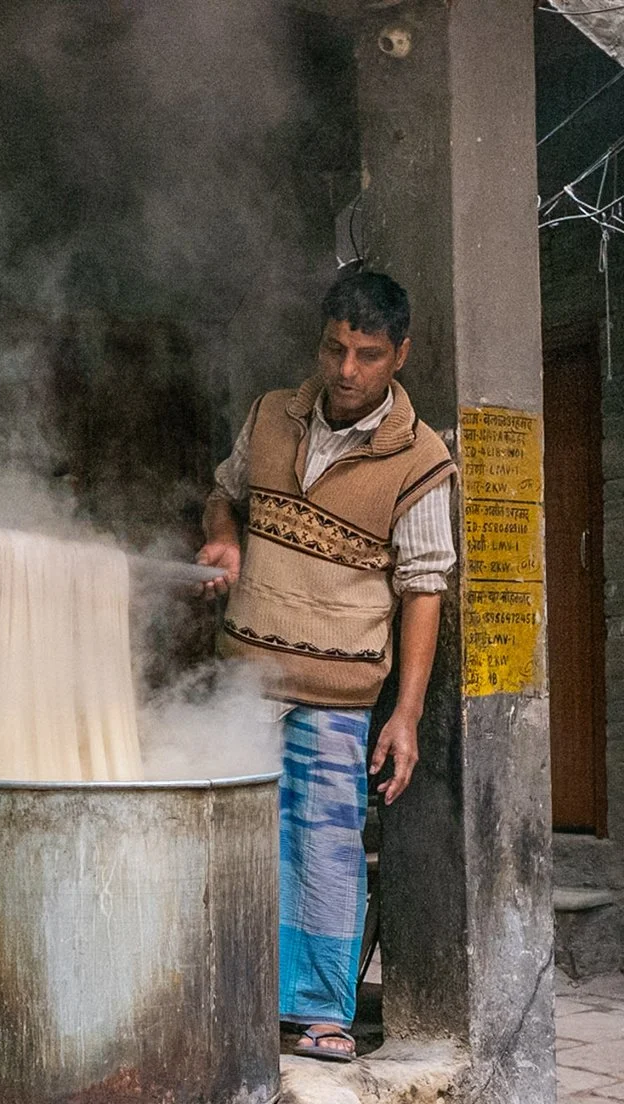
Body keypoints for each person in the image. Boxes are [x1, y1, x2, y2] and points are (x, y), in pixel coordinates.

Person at [198, 268, 456, 1062]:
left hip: (338, 693)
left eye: (368, 354)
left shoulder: (419, 458)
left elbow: (423, 589)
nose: (347, 370)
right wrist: (226, 539)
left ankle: (317, 1014)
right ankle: (232, 998)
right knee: (235, 841)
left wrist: (405, 713)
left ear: (400, 355)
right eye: (335, 348)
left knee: (324, 844)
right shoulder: (271, 416)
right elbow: (223, 495)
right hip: (246, 675)